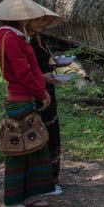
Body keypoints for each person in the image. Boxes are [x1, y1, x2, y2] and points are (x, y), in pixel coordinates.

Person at [0, 0, 60, 207]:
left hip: (26, 97)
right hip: (21, 98)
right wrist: (42, 94)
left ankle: (30, 194)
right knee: (18, 150)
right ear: (19, 17)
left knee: (34, 147)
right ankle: (12, 201)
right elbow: (24, 73)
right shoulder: (10, 39)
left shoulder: (15, 37)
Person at [31, 28, 63, 195]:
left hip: (46, 89)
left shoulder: (40, 39)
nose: (42, 24)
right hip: (36, 92)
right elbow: (21, 72)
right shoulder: (21, 41)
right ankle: (41, 180)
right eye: (39, 20)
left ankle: (50, 177)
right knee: (40, 133)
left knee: (51, 130)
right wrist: (41, 80)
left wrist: (54, 64)